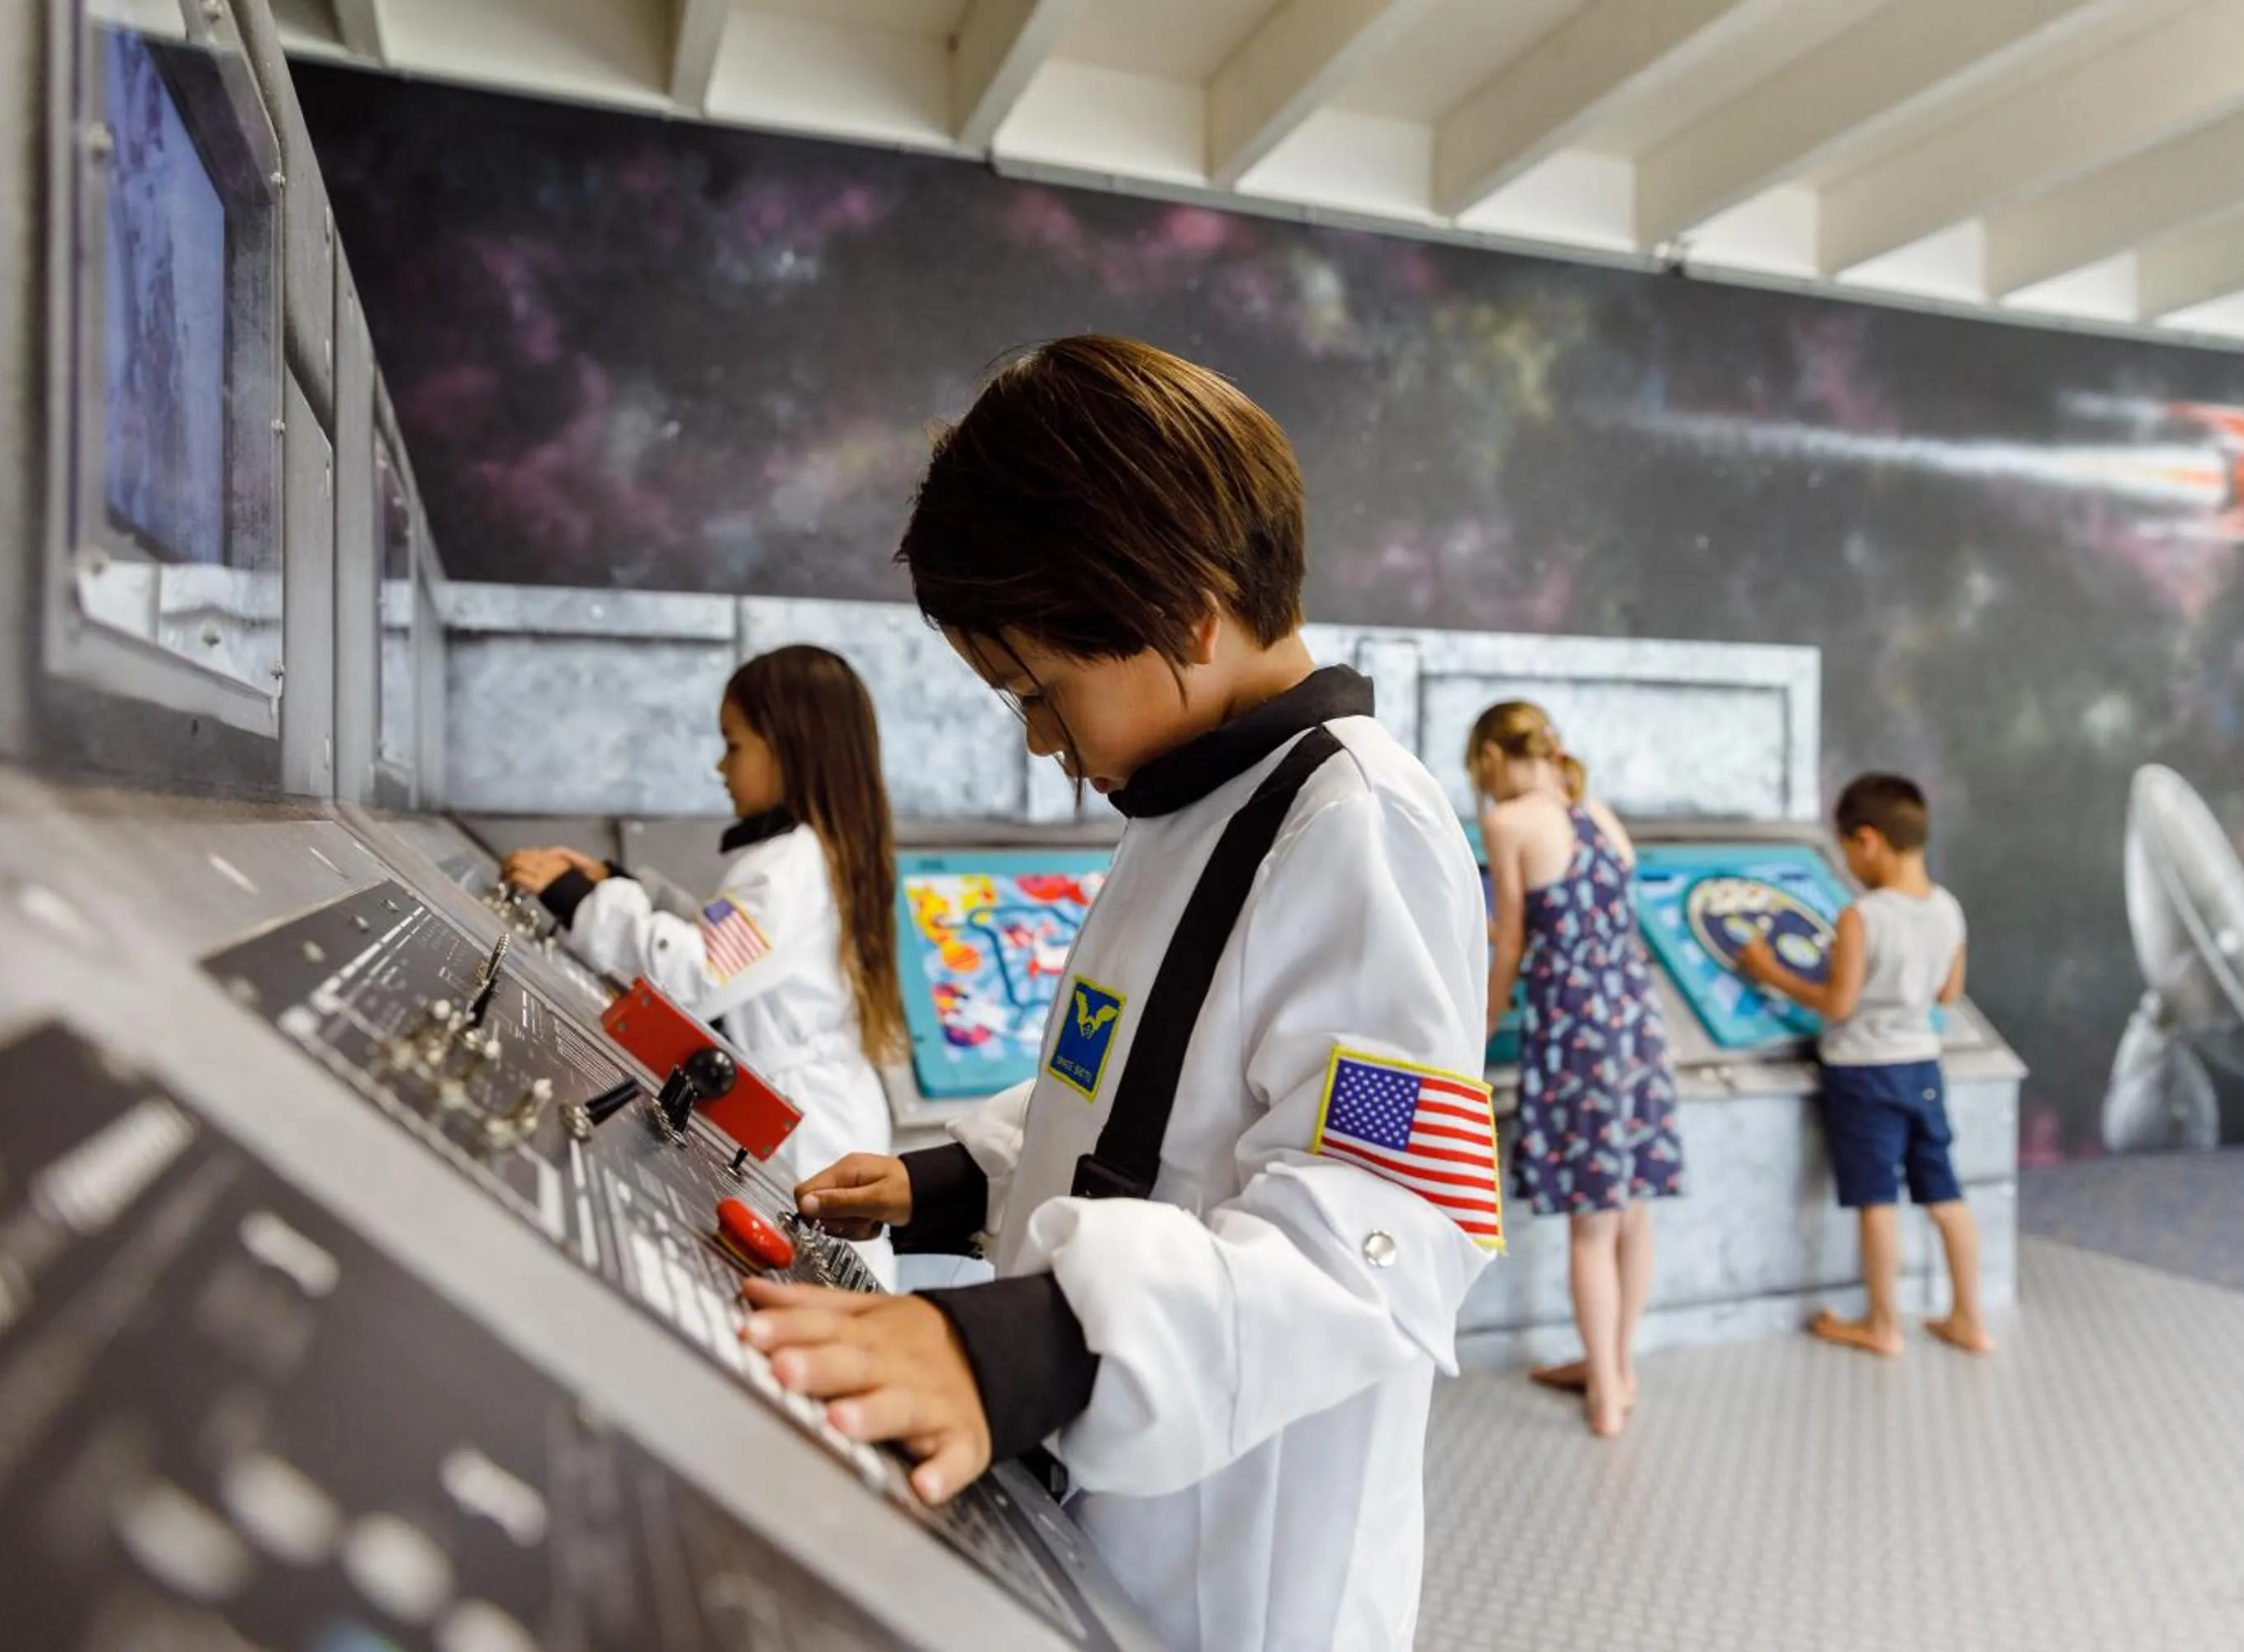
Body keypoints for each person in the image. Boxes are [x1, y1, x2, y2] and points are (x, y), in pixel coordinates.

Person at [733, 336, 1500, 1651]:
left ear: (1186, 613)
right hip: (1099, 1505)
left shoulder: (1359, 824)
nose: (1044, 741)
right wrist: (957, 1178)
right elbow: (1125, 1096)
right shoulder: (1184, 811)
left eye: (1043, 694)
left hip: (1233, 1573)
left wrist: (1029, 1347)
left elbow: (1387, 1222)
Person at [501, 645, 906, 1287]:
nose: (721, 766)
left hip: (806, 1131)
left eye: (734, 745)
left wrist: (580, 901)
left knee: (811, 1287)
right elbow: (725, 939)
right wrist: (618, 883)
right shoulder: (811, 853)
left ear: (789, 748)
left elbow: (698, 972)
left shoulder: (789, 869)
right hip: (817, 1108)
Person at [1468, 701, 1681, 1438]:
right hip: (1636, 1024)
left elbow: (1511, 945)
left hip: (1575, 1031)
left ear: (1492, 759)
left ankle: (1605, 1397)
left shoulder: (1507, 823)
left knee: (1590, 1225)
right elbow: (1606, 924)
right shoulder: (1600, 815)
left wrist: (1483, 1021)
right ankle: (1617, 1366)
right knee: (1631, 1211)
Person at [1738, 772, 1992, 1357]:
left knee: (1877, 1199)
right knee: (1944, 1195)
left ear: (1869, 840)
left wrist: (1768, 970)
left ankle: (1883, 1325)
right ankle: (1969, 1319)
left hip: (1864, 1073)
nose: (1848, 863)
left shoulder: (1863, 917)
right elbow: (1949, 993)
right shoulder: (1947, 909)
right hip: (1922, 1068)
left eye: (1847, 849)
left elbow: (1838, 1003)